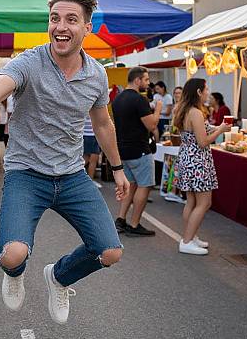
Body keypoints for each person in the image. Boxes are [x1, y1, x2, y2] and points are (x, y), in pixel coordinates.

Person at [0, 0, 127, 325]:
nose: (60, 26)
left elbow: (103, 125)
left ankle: (59, 278)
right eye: (54, 19)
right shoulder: (29, 63)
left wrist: (119, 169)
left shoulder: (96, 74)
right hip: (26, 174)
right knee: (11, 255)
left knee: (110, 252)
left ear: (86, 27)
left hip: (72, 175)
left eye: (71, 19)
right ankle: (15, 273)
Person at [173, 78, 230, 255]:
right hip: (198, 162)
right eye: (205, 89)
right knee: (204, 203)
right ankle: (188, 240)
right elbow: (203, 141)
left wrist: (217, 127)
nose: (207, 93)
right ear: (198, 92)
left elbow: (199, 132)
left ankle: (190, 236)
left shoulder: (183, 110)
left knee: (191, 201)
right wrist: (220, 131)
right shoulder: (195, 112)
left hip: (188, 160)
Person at [112, 67, 161, 236]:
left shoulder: (118, 99)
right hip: (139, 150)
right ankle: (134, 224)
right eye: (146, 80)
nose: (148, 84)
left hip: (123, 149)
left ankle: (121, 219)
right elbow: (152, 125)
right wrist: (159, 109)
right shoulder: (139, 100)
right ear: (137, 80)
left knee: (130, 185)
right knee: (144, 186)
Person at [82, 115, 100, 182]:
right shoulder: (94, 105)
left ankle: (86, 180)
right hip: (92, 134)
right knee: (93, 159)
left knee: (85, 158)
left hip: (84, 134)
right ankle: (90, 181)